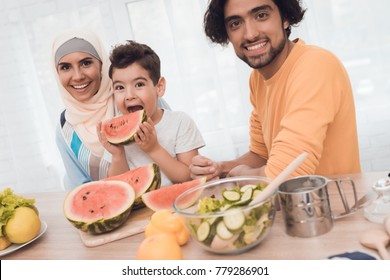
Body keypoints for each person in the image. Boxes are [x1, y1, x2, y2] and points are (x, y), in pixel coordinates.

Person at [189, 0, 361, 181]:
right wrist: (219, 169)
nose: (250, 34)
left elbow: (285, 175)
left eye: (261, 15)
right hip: (292, 207)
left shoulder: (316, 65)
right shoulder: (257, 79)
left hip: (338, 205)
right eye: (235, 23)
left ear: (285, 17)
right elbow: (261, 155)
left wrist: (241, 175)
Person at [52, 30, 170, 190]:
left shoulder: (134, 99)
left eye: (86, 63)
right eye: (66, 67)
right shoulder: (65, 129)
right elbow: (81, 188)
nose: (78, 76)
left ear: (102, 64)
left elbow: (175, 146)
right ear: (56, 73)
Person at [97, 40, 205, 186]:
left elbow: (189, 176)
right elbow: (118, 187)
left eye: (139, 84)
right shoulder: (115, 131)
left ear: (159, 87)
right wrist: (117, 155)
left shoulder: (180, 122)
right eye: (120, 87)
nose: (129, 95)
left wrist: (153, 149)